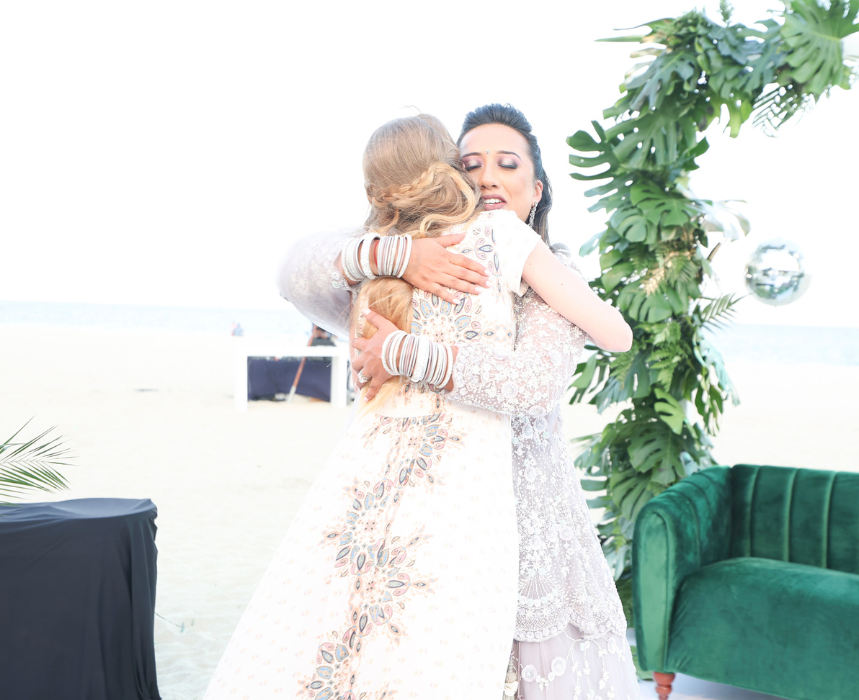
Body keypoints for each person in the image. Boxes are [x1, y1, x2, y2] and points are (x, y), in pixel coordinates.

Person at [204, 113, 631, 700]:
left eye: (509, 165)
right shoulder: (413, 256)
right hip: (404, 504)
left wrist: (403, 352)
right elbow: (294, 271)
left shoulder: (546, 268)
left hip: (523, 511)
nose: (487, 177)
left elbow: (532, 384)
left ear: (537, 191)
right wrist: (391, 253)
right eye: (470, 164)